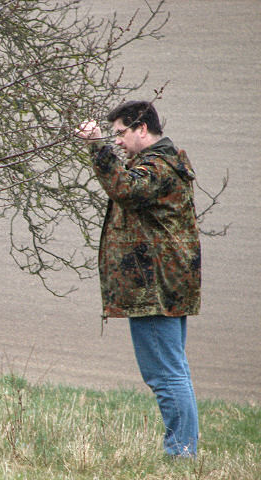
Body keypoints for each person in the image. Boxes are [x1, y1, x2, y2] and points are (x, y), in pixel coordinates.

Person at [77, 101, 201, 457]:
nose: (117, 141)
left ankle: (180, 453)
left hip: (154, 289)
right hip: (166, 285)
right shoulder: (165, 163)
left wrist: (97, 146)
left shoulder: (157, 167)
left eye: (120, 133)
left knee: (165, 376)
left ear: (141, 129)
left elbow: (125, 190)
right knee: (173, 371)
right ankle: (184, 449)